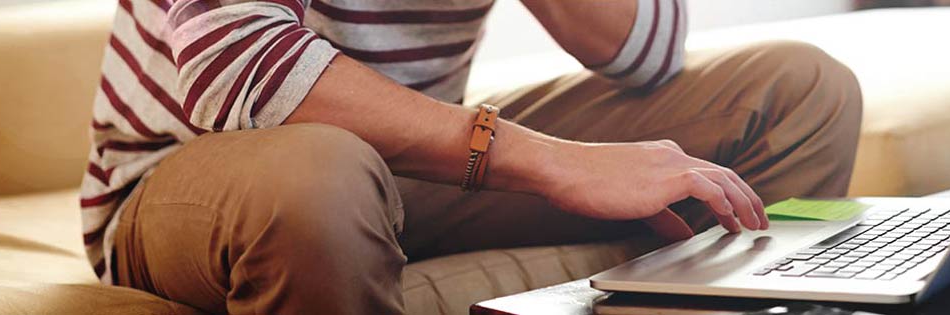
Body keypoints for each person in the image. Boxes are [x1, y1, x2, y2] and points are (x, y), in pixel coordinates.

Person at [80, 0, 861, 313]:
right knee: (321, 178)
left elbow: (645, 50)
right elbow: (235, 63)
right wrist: (556, 161)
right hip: (198, 171)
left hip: (408, 166)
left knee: (801, 90)